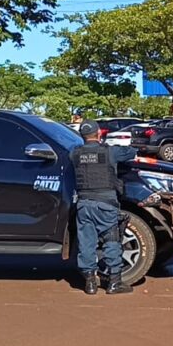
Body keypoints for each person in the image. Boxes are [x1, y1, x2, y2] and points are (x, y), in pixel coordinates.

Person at [71, 120, 139, 295]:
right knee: (111, 241)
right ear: (99, 133)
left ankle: (90, 284)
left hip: (84, 204)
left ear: (82, 136)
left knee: (86, 243)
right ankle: (114, 283)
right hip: (105, 204)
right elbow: (131, 152)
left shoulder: (74, 153)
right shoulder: (110, 152)